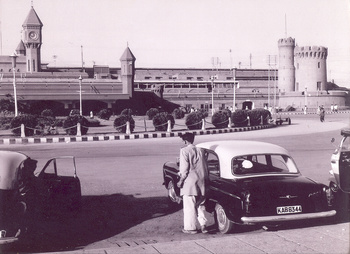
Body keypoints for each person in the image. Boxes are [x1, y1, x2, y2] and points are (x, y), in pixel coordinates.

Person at [177, 132, 208, 234]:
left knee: (189, 206)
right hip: (202, 181)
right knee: (200, 205)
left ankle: (191, 228)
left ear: (185, 141)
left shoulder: (184, 151)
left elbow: (184, 170)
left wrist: (180, 181)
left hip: (190, 183)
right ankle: (203, 225)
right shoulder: (201, 150)